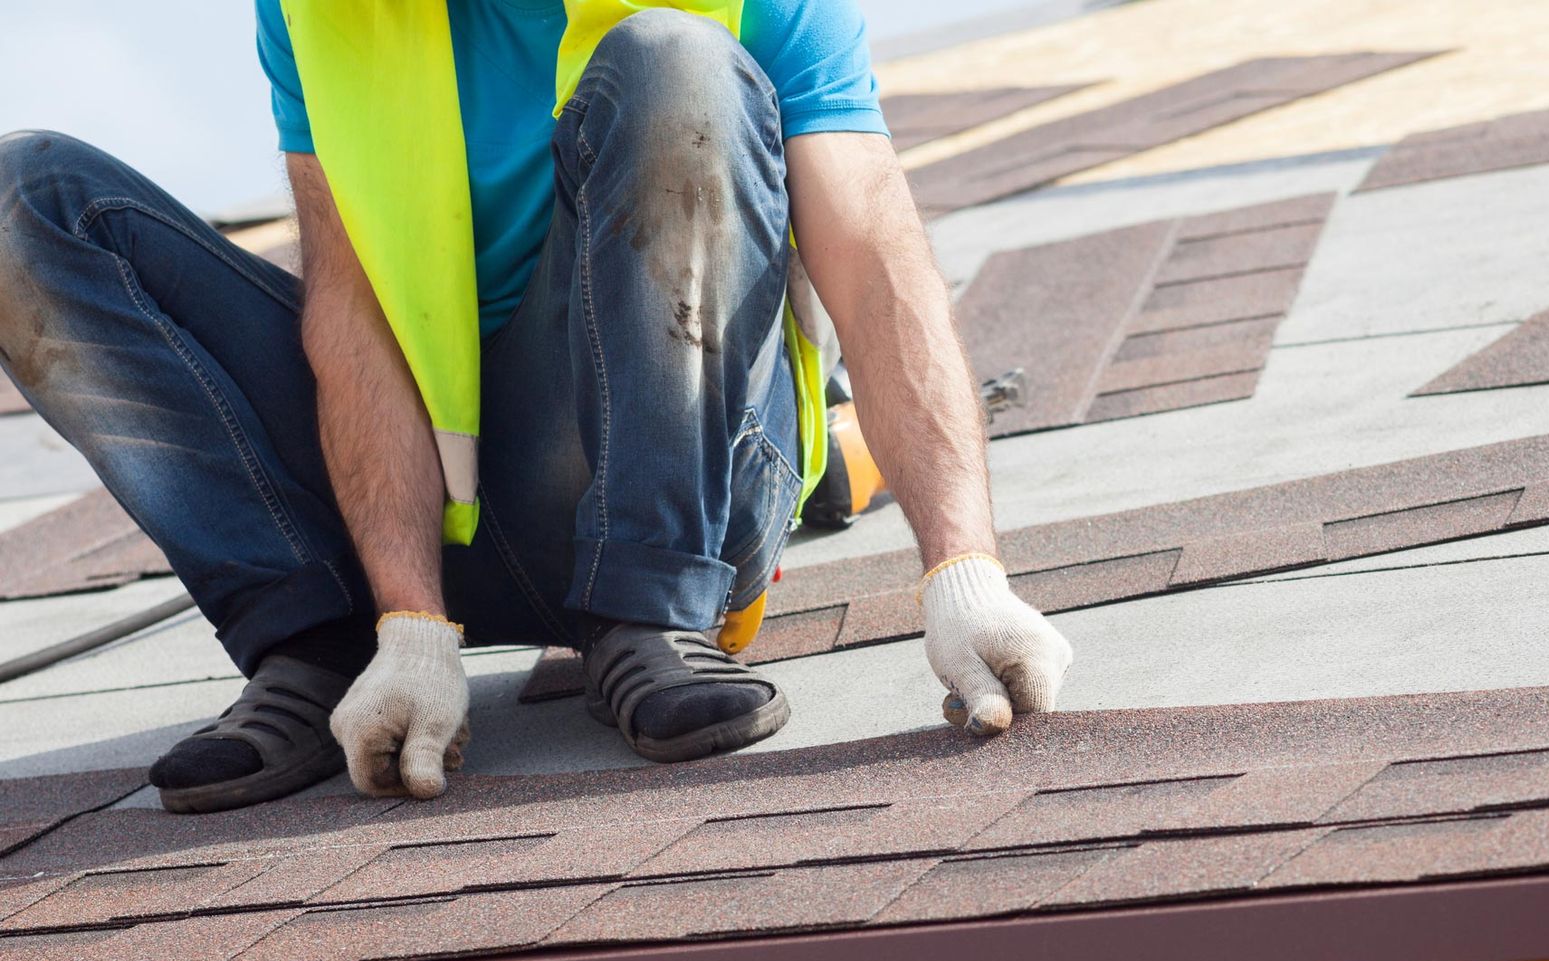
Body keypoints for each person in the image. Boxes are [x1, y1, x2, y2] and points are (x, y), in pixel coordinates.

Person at [0, 0, 1073, 814]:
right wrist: (408, 619)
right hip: (425, 513)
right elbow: (352, 305)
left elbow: (873, 249)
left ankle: (652, 612)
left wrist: (964, 571)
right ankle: (317, 648)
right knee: (25, 203)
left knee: (673, 57)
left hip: (663, 479)